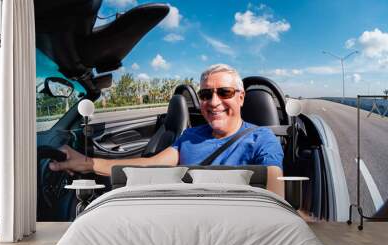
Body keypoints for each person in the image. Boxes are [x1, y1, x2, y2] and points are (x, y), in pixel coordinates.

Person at [49, 64, 284, 198]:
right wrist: (87, 163)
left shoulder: (262, 138)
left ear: (241, 98)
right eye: (205, 95)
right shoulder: (190, 137)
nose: (213, 102)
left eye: (224, 93)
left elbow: (276, 196)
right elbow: (146, 165)